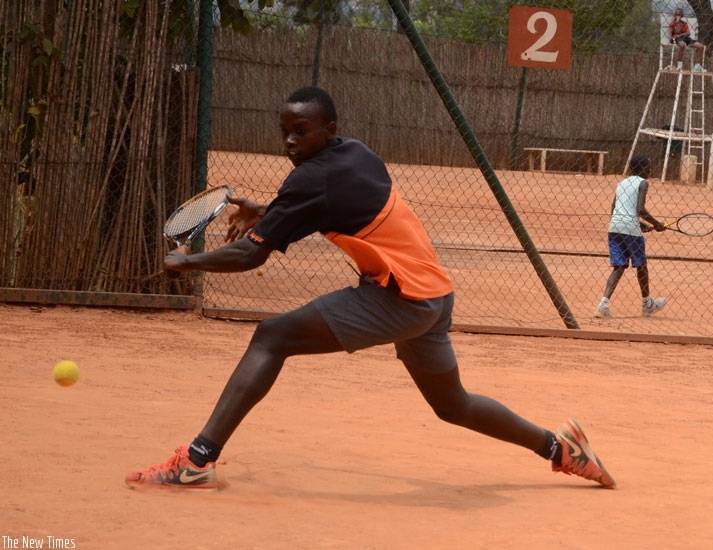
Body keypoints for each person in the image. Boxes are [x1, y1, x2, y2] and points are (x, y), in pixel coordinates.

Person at [125, 86, 616, 490]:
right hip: (434, 294)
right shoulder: (356, 152)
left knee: (271, 337)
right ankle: (560, 448)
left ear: (328, 130)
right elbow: (321, 198)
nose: (290, 142)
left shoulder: (310, 182)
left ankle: (197, 460)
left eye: (302, 131)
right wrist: (268, 213)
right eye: (285, 133)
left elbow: (252, 253)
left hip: (400, 298)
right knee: (453, 405)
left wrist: (187, 262)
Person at [594, 154, 667, 319]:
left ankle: (603, 305)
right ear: (641, 168)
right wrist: (656, 224)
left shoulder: (621, 183)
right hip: (629, 229)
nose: (651, 169)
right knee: (641, 265)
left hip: (614, 227)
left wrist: (640, 225)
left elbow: (615, 208)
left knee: (619, 266)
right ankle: (647, 304)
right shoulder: (643, 183)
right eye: (648, 166)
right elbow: (640, 209)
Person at [668, 8, 706, 72]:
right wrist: (678, 27)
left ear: (681, 15)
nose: (678, 16)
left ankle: (697, 66)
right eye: (677, 15)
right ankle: (679, 66)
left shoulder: (684, 23)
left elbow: (688, 33)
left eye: (679, 15)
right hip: (675, 38)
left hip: (685, 38)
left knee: (701, 46)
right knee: (682, 45)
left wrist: (681, 34)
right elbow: (675, 33)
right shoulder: (672, 24)